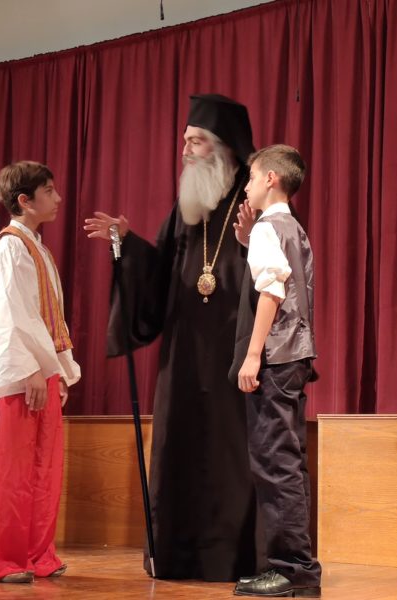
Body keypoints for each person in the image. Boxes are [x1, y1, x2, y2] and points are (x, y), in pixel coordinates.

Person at [84, 94, 261, 581]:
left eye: (195, 141)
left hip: (236, 353)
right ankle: (177, 554)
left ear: (224, 147)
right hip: (184, 356)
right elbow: (160, 273)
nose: (185, 150)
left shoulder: (256, 206)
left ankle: (235, 559)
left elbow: (278, 273)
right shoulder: (187, 211)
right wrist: (127, 245)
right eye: (184, 141)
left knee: (231, 456)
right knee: (178, 449)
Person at [0, 161, 80, 583]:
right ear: (24, 200)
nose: (58, 198)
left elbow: (46, 315)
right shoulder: (9, 248)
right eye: (49, 191)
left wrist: (58, 371)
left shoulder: (36, 248)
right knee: (9, 470)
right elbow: (7, 315)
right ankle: (1, 558)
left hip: (39, 370)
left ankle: (35, 553)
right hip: (18, 373)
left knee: (40, 470)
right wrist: (31, 369)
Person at [231, 145, 321, 597]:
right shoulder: (289, 227)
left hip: (277, 356)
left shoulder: (270, 226)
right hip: (295, 357)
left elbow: (272, 292)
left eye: (251, 177)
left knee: (275, 462)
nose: (246, 186)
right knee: (287, 462)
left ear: (270, 178)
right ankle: (295, 567)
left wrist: (252, 355)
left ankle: (293, 569)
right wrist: (249, 243)